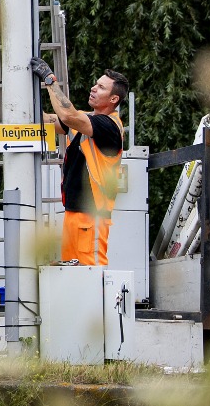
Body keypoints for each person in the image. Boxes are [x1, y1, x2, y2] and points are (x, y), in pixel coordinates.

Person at [30, 59, 127, 266]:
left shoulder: (109, 126)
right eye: (96, 84)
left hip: (91, 217)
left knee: (90, 276)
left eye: (101, 87)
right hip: (74, 214)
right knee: (72, 276)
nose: (94, 88)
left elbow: (68, 115)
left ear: (113, 99)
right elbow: (49, 120)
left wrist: (50, 80)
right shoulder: (85, 120)